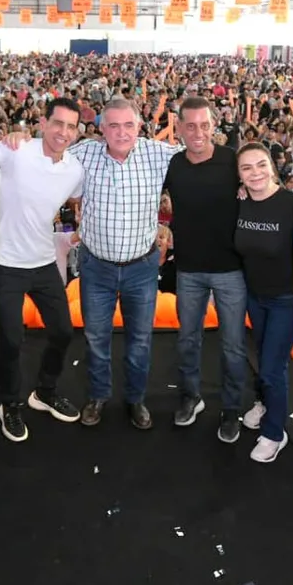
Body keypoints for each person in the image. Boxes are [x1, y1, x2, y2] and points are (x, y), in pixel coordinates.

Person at [70, 98, 181, 430]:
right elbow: (44, 157)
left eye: (128, 125)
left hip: (141, 268)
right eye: (113, 125)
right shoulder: (82, 154)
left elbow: (202, 160)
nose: (121, 133)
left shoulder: (159, 154)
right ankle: (98, 395)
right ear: (101, 128)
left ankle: (135, 399)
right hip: (96, 267)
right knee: (96, 337)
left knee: (140, 339)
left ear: (140, 127)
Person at [0, 100, 84, 442]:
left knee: (62, 330)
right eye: (58, 123)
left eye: (71, 126)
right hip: (5, 263)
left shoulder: (75, 169)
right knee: (12, 340)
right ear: (43, 122)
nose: (64, 132)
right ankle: (9, 404)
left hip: (43, 260)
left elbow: (78, 198)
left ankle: (44, 391)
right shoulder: (15, 149)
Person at [163, 97, 247, 441]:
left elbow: (266, 191)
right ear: (179, 127)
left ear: (214, 126)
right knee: (187, 340)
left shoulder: (233, 161)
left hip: (230, 269)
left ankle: (230, 409)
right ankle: (190, 396)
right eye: (191, 126)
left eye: (205, 125)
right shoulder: (173, 164)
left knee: (233, 344)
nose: (198, 133)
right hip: (189, 268)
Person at [232, 142, 293, 463]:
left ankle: (275, 433)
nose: (255, 173)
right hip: (255, 297)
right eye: (246, 168)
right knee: (262, 358)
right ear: (239, 176)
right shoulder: (239, 203)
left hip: (287, 299)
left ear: (272, 166)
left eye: (260, 165)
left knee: (273, 367)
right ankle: (264, 402)